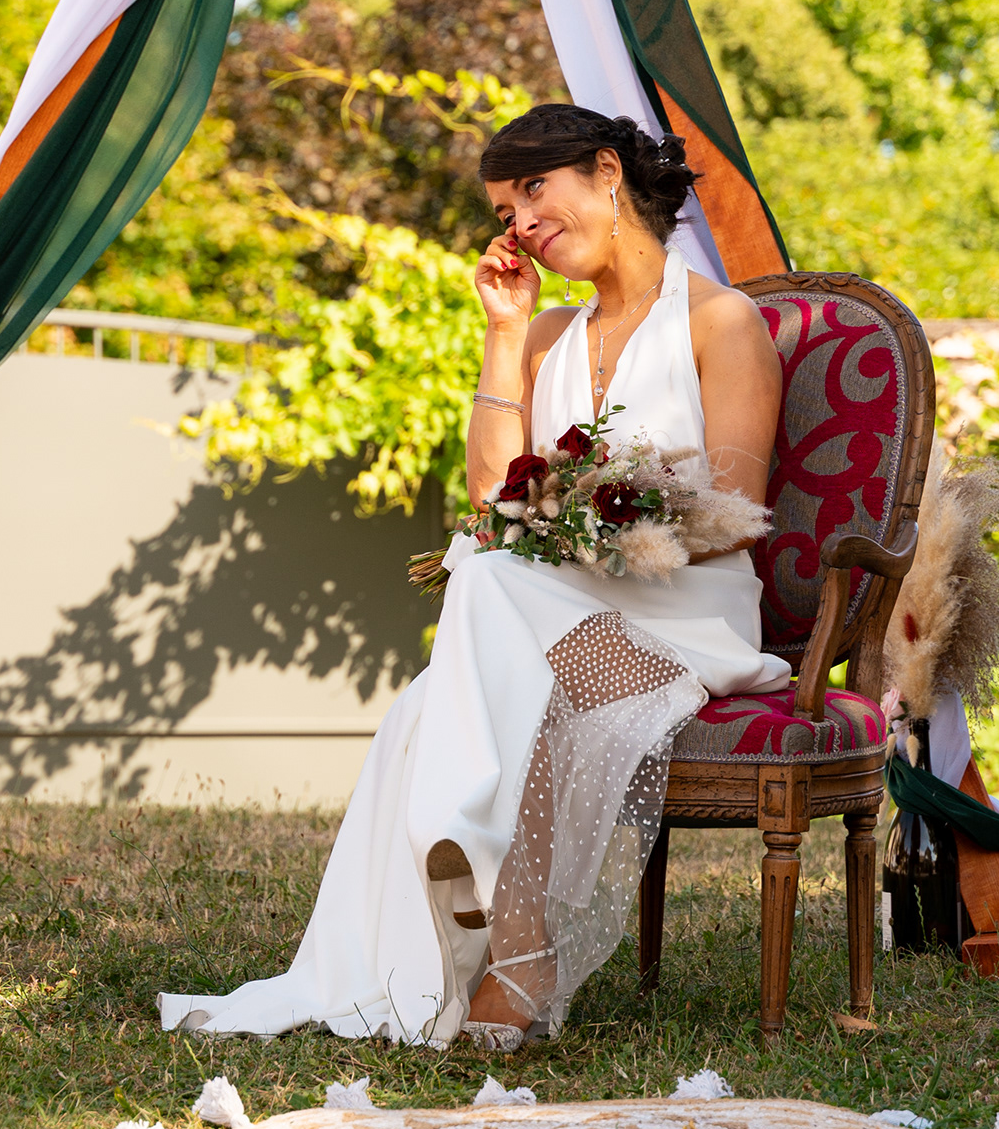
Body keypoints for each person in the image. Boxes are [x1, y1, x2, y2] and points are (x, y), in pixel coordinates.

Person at [158, 103, 787, 1049]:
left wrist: (581, 530)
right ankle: (510, 948)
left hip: (687, 618)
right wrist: (504, 330)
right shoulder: (546, 340)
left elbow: (732, 509)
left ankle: (503, 917)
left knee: (485, 591)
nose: (521, 224)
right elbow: (496, 493)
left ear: (607, 173)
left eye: (535, 190)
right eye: (504, 210)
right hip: (560, 617)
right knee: (474, 610)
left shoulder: (721, 321)